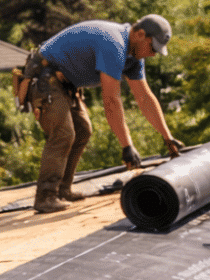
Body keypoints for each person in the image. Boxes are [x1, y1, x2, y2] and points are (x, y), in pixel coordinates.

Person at [20, 15, 184, 214]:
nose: (153, 55)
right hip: (45, 78)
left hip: (65, 84)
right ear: (140, 34)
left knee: (82, 131)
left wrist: (168, 138)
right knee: (64, 134)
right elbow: (111, 100)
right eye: (152, 48)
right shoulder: (113, 44)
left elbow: (144, 98)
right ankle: (45, 197)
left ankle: (62, 190)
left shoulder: (133, 57)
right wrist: (127, 146)